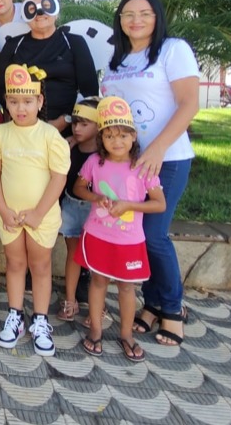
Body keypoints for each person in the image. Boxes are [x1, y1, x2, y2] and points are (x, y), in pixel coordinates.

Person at [101, 0, 199, 347]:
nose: (136, 20)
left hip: (167, 159)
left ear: (157, 17)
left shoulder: (173, 50)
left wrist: (157, 148)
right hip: (129, 164)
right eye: (128, 14)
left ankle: (173, 309)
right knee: (140, 235)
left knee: (156, 235)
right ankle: (153, 303)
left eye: (144, 13)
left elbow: (189, 105)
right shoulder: (117, 60)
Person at [73, 97, 166, 362]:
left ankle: (126, 335)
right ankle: (95, 331)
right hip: (98, 235)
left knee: (127, 287)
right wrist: (95, 197)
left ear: (134, 136)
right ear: (101, 138)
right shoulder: (94, 163)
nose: (117, 141)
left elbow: (159, 203)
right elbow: (79, 188)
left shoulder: (143, 166)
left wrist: (129, 204)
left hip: (130, 240)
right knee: (98, 282)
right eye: (110, 136)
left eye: (123, 135)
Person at [0, 64, 70, 357]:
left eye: (27, 101)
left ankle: (41, 319)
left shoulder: (50, 136)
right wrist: (3, 208)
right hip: (9, 214)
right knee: (15, 264)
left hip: (41, 216)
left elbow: (59, 177)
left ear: (40, 101)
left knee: (41, 265)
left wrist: (37, 213)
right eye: (13, 101)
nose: (20, 108)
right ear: (6, 102)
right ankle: (15, 314)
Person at [0, 0, 98, 133]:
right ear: (25, 15)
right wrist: (23, 117)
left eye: (46, 6)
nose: (40, 13)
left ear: (56, 11)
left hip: (68, 132)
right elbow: (0, 88)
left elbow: (90, 91)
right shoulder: (13, 45)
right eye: (32, 9)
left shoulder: (74, 43)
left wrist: (66, 120)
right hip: (22, 131)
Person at [56, 97, 100, 325]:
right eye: (75, 123)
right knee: (74, 255)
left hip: (95, 209)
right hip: (72, 207)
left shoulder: (104, 156)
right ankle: (70, 299)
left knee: (95, 257)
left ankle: (97, 306)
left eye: (84, 124)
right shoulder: (68, 147)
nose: (77, 128)